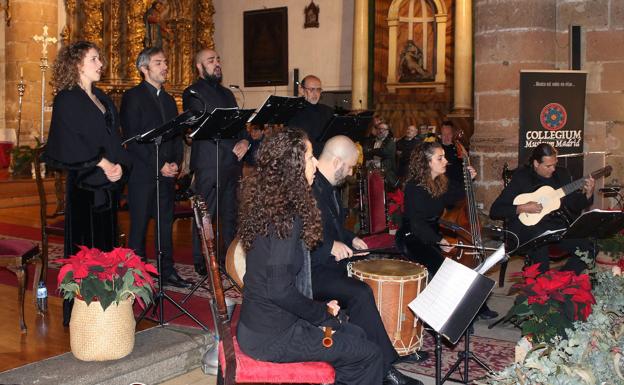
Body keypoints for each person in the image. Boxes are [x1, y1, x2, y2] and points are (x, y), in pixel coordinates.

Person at [236, 128, 384, 385]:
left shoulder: (271, 203)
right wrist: (322, 313)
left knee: (357, 333)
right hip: (274, 337)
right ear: (292, 167)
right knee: (368, 354)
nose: (315, 163)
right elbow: (280, 291)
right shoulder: (285, 217)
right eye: (309, 157)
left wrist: (323, 312)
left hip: (266, 324)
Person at [311, 135, 424, 385]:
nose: (351, 172)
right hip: (310, 271)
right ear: (338, 161)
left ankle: (381, 356)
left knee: (365, 288)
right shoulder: (309, 186)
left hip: (329, 265)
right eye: (350, 166)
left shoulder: (328, 187)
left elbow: (334, 228)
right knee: (360, 293)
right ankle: (384, 370)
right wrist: (329, 247)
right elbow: (297, 240)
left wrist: (351, 239)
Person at [44, 41, 129, 325]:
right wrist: (101, 163)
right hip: (84, 186)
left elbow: (113, 139)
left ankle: (106, 312)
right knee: (85, 252)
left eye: (99, 58)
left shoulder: (103, 98)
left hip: (106, 186)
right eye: (94, 59)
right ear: (77, 64)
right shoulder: (67, 98)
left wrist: (118, 166)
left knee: (107, 250)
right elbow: (70, 144)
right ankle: (84, 316)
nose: (100, 64)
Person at [120, 46, 190, 288]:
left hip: (167, 174)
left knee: (164, 226)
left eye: (165, 62)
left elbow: (177, 135)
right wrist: (159, 165)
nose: (165, 66)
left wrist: (175, 164)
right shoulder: (133, 97)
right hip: (143, 173)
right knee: (139, 225)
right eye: (159, 62)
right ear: (144, 68)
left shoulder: (170, 100)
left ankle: (167, 271)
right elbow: (133, 139)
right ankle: (136, 275)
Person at [182, 49, 251, 275]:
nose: (217, 63)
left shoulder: (227, 94)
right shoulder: (192, 92)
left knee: (231, 215)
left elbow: (239, 126)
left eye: (218, 59)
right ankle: (202, 260)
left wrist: (244, 141)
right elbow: (202, 128)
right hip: (210, 163)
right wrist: (230, 145)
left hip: (232, 163)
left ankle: (229, 259)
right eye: (211, 61)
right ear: (200, 68)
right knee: (206, 214)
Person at [490, 143, 595, 274]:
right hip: (529, 230)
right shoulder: (522, 177)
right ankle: (543, 285)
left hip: (556, 227)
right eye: (548, 166)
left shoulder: (562, 174)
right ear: (536, 163)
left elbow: (573, 204)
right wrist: (522, 207)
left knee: (589, 248)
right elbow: (495, 210)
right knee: (540, 253)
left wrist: (588, 194)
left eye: (554, 164)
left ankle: (563, 278)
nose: (553, 169)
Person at [395, 141, 473, 277]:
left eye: (444, 157)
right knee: (442, 272)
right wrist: (438, 240)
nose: (446, 161)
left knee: (447, 269)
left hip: (431, 235)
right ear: (427, 162)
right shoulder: (414, 188)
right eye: (440, 158)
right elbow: (417, 223)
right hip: (412, 236)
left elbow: (455, 196)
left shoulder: (440, 182)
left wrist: (468, 179)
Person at [288, 74, 334, 157]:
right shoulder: (293, 111)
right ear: (301, 90)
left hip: (326, 158)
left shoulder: (328, 111)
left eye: (318, 90)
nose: (315, 93)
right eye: (312, 89)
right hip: (304, 158)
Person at [365, 122, 398, 188]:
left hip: (385, 174)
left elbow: (384, 152)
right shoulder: (371, 142)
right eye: (379, 129)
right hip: (371, 172)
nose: (381, 131)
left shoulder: (391, 142)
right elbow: (365, 152)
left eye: (383, 129)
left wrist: (372, 151)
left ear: (388, 132)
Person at [439, 121, 463, 187]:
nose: (446, 137)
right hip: (441, 186)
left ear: (453, 134)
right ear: (440, 135)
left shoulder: (459, 149)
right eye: (444, 134)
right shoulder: (436, 150)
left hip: (457, 185)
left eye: (449, 134)